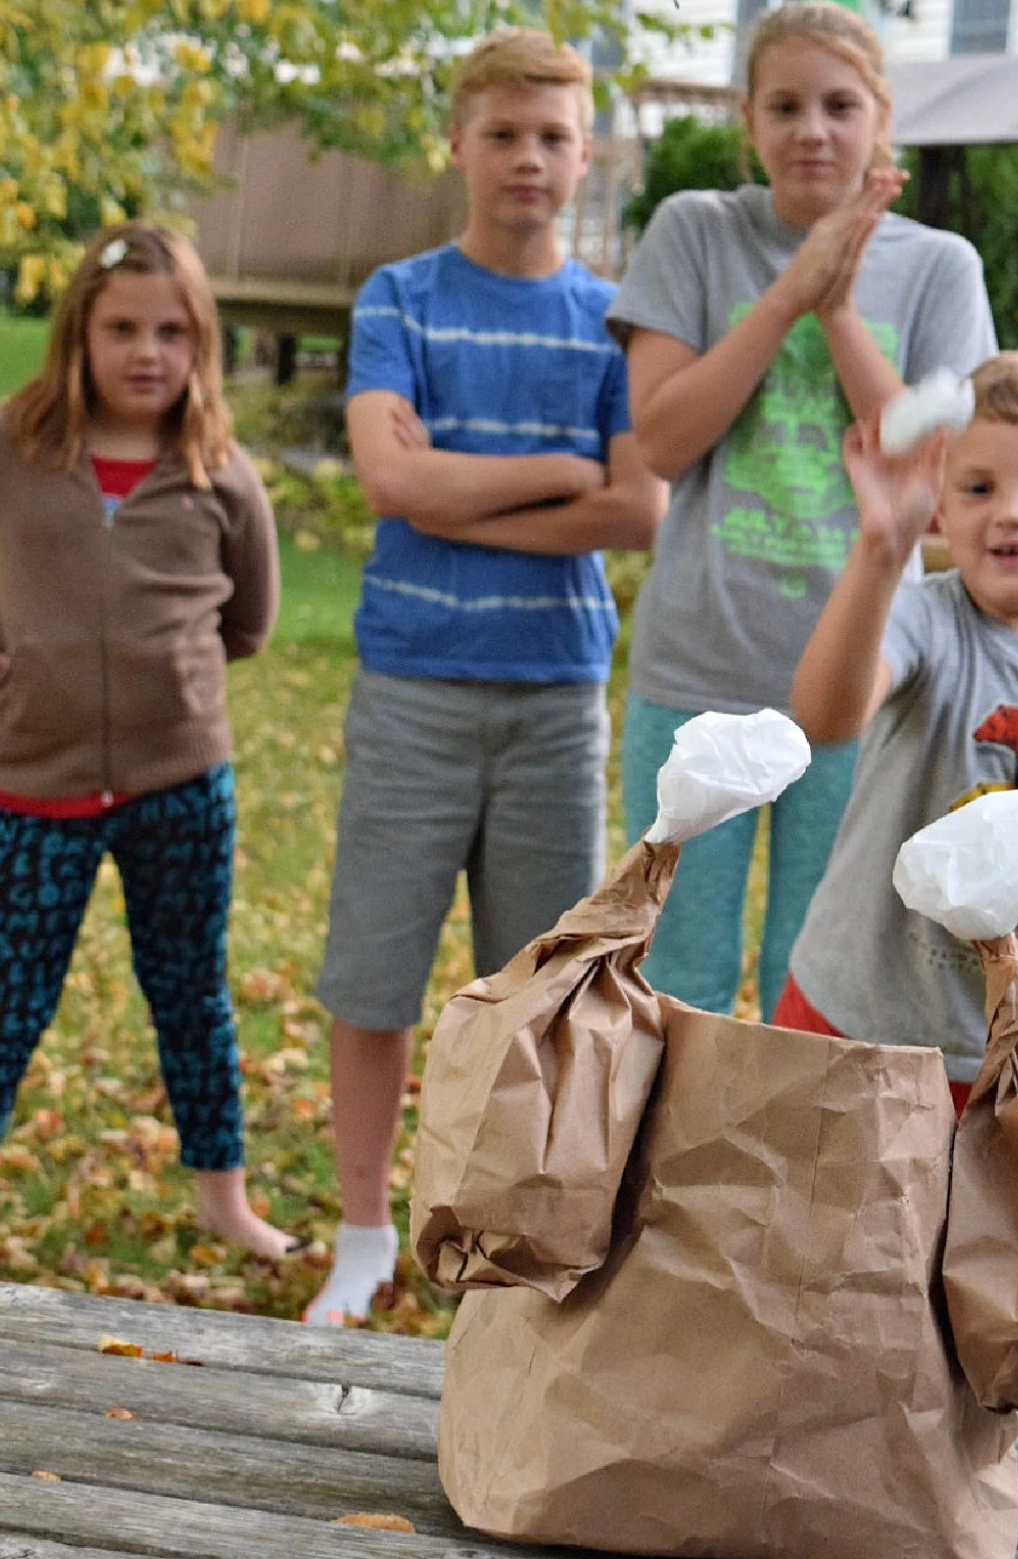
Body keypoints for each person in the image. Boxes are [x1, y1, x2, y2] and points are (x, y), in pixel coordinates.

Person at [306, 29, 663, 1325]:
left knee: (544, 991)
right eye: (503, 133)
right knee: (374, 974)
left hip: (556, 693)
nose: (528, 157)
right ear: (455, 143)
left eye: (553, 137)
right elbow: (390, 481)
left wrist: (467, 493)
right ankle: (361, 1232)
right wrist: (560, 473)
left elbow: (642, 510)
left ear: (586, 155)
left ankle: (520, 1238)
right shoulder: (397, 297)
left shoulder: (613, 323)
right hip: (413, 682)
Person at [606, 0, 997, 1021]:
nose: (810, 129)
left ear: (880, 119)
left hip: (865, 684)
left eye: (837, 105)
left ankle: (787, 1190)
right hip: (695, 674)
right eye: (783, 106)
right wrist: (783, 296)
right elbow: (660, 439)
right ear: (747, 119)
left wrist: (834, 310)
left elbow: (941, 472)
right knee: (671, 980)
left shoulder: (937, 266)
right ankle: (662, 1185)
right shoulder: (695, 230)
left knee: (817, 985)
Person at [0, 222, 293, 1256]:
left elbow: (249, 624)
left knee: (190, 994)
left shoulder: (221, 475)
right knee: (9, 1002)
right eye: (122, 328)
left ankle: (224, 1199)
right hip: (31, 786)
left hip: (180, 786)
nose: (146, 353)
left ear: (201, 346)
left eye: (172, 333)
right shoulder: (14, 448)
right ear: (79, 331)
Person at [775, 350, 1018, 1114]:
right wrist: (880, 548)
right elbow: (826, 716)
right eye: (978, 488)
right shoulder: (920, 618)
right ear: (942, 509)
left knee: (972, 1239)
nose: (1010, 511)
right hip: (846, 1030)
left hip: (1006, 1051)